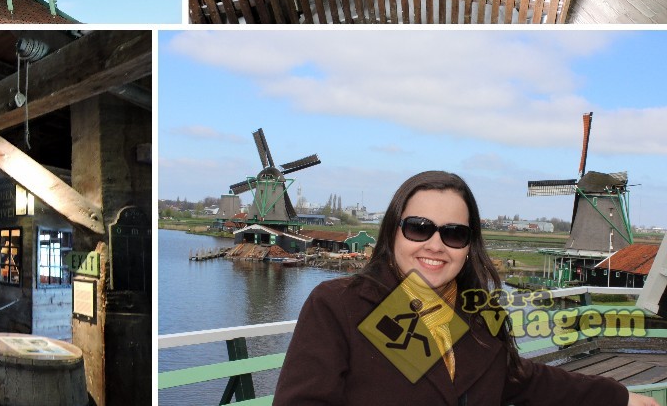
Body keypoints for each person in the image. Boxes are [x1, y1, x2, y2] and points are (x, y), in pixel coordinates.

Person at [273, 170, 658, 406]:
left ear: (469, 244)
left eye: (454, 233)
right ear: (392, 232)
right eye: (419, 228)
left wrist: (616, 397)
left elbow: (522, 380)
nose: (435, 245)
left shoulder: (479, 310)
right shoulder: (342, 305)